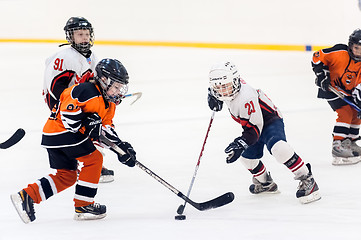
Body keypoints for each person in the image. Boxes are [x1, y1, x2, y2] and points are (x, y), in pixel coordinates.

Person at [11, 59, 136, 223]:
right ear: (104, 80)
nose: (118, 91)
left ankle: (27, 196)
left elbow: (103, 128)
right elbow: (67, 112)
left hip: (55, 137)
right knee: (95, 159)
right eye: (116, 86)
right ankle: (84, 205)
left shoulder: (109, 104)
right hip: (62, 132)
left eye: (120, 87)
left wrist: (120, 147)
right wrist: (86, 122)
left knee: (67, 176)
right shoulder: (86, 90)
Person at [207, 61, 321, 204]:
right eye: (218, 87)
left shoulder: (246, 97)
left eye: (225, 86)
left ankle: (307, 179)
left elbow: (255, 130)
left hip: (269, 121)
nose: (222, 91)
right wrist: (213, 95)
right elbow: (220, 87)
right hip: (252, 125)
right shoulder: (230, 86)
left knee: (279, 148)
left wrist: (241, 143)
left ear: (235, 81)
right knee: (245, 156)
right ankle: (266, 183)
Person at [42, 16, 114, 182]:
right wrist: (74, 107)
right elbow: (56, 89)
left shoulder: (92, 56)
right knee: (78, 129)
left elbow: (95, 82)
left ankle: (92, 163)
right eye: (80, 34)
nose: (85, 37)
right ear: (71, 36)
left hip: (79, 101)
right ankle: (85, 165)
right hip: (62, 103)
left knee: (97, 122)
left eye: (87, 34)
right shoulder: (64, 57)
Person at [312, 29, 361, 165]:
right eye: (356, 48)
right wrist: (321, 75)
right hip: (331, 89)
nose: (358, 52)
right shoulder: (339, 52)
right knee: (345, 112)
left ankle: (350, 142)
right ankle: (337, 146)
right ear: (350, 45)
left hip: (348, 92)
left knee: (357, 112)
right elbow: (317, 57)